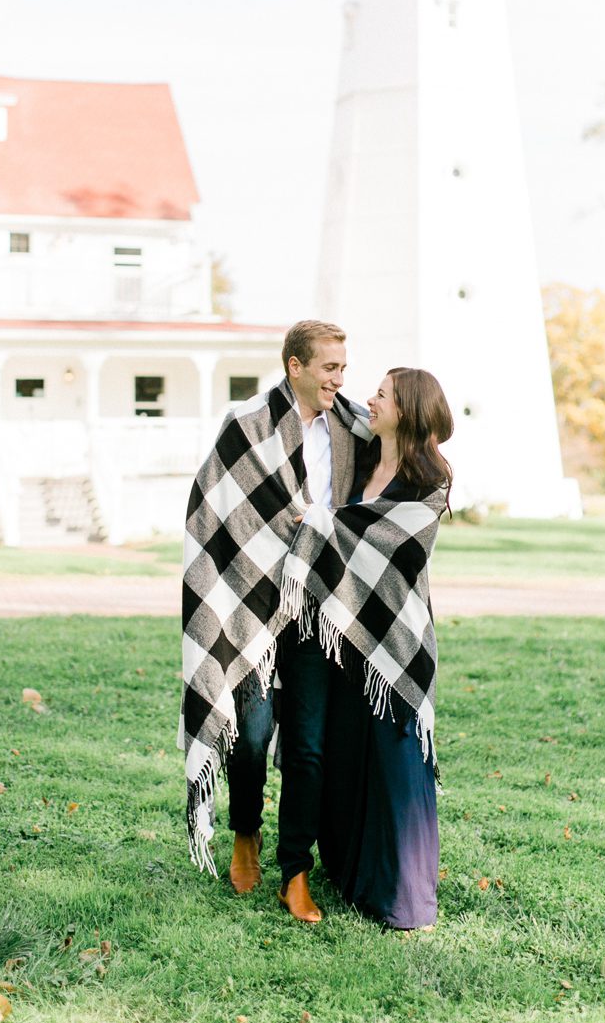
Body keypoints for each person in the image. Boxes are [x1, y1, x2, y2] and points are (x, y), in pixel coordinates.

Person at [179, 320, 369, 921]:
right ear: (296, 366)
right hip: (250, 602)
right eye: (329, 367)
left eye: (343, 366)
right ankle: (243, 832)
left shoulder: (353, 428)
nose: (340, 378)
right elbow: (211, 509)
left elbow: (392, 474)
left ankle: (295, 870)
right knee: (254, 732)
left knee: (309, 746)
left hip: (318, 605)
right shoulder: (247, 424)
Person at [280, 367, 453, 929]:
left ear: (407, 409)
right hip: (349, 631)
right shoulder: (361, 453)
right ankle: (353, 874)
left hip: (397, 634)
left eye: (383, 394)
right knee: (351, 752)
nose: (370, 400)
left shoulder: (430, 482)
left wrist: (320, 521)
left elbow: (386, 545)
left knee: (394, 757)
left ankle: (400, 894)